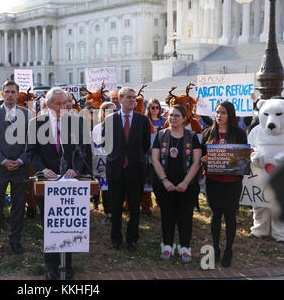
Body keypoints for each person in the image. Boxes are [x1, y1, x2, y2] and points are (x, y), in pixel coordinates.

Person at [26, 87, 89, 280]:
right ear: (48, 104)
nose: (63, 107)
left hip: (70, 183)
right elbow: (31, 152)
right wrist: (43, 170)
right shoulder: (35, 124)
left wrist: (76, 170)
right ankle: (51, 266)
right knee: (50, 224)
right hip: (46, 182)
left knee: (67, 223)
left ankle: (66, 265)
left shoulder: (78, 123)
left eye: (65, 103)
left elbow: (84, 150)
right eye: (59, 104)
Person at [0, 80, 31, 260]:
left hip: (20, 169)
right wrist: (3, 161)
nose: (9, 95)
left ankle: (15, 241)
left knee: (18, 207)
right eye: (6, 92)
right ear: (2, 94)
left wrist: (20, 160)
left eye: (12, 92)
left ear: (18, 94)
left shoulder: (27, 114)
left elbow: (30, 142)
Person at [152, 105, 202, 262]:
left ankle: (185, 248)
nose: (172, 118)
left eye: (177, 116)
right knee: (167, 215)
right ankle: (167, 246)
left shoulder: (192, 136)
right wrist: (165, 181)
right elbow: (155, 159)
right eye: (171, 115)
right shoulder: (161, 135)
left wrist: (186, 182)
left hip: (188, 185)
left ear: (184, 119)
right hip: (165, 184)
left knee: (185, 216)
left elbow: (196, 162)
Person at [104, 87, 151, 252]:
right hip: (115, 170)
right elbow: (105, 143)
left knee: (134, 209)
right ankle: (115, 240)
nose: (133, 100)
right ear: (120, 100)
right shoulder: (110, 120)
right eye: (129, 97)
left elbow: (146, 146)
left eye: (134, 98)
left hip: (135, 171)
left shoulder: (143, 120)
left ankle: (132, 240)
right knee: (115, 208)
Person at [201, 101, 247, 267]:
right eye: (217, 112)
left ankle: (228, 250)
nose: (219, 116)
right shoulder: (208, 133)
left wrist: (245, 155)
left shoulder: (239, 133)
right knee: (215, 215)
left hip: (232, 183)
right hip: (213, 182)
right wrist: (204, 160)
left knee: (230, 216)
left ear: (230, 115)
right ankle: (215, 248)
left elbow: (242, 158)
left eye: (223, 113)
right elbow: (202, 156)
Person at [92, 101, 116, 222]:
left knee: (116, 188)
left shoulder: (119, 126)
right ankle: (108, 212)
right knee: (105, 188)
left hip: (117, 160)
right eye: (111, 111)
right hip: (103, 161)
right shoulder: (98, 128)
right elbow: (96, 146)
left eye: (115, 111)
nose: (114, 113)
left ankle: (116, 210)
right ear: (104, 112)